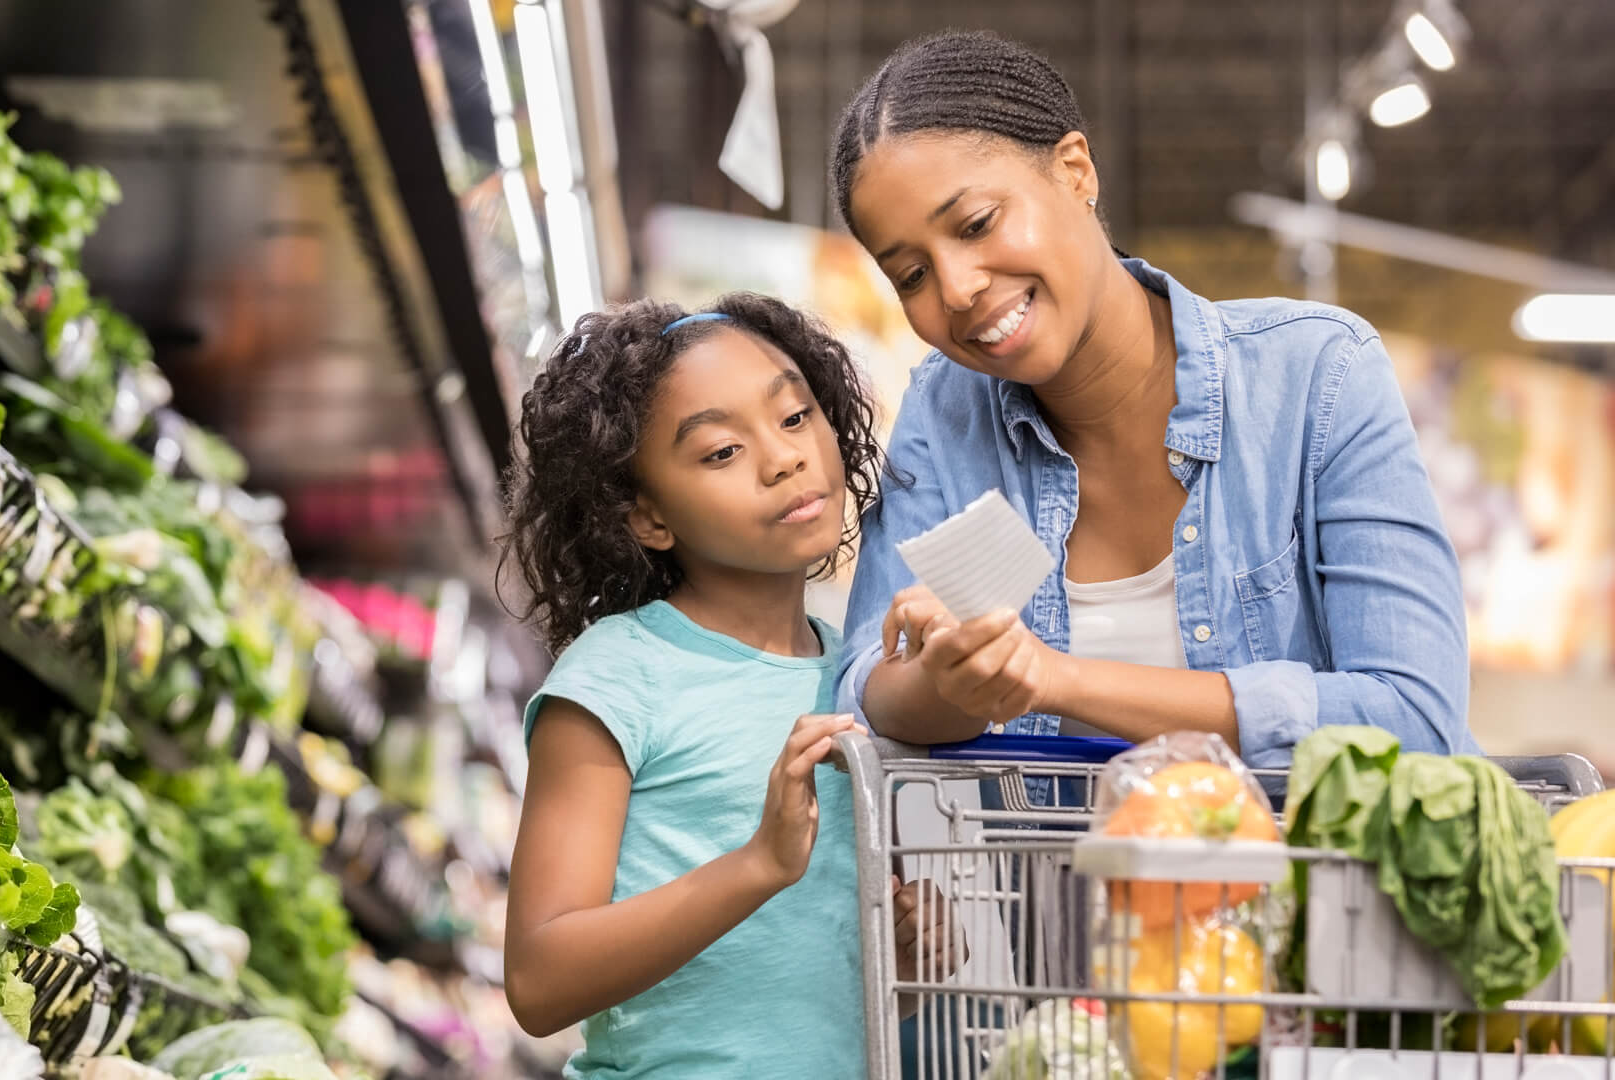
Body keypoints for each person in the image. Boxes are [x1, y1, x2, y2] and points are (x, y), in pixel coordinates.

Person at [826, 30, 1482, 766]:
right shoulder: (946, 416)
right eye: (910, 274)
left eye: (977, 224)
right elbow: (862, 696)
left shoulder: (1316, 376)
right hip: (1043, 886)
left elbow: (1412, 716)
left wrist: (1057, 679)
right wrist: (951, 677)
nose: (957, 288)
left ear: (1075, 171)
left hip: (1316, 882)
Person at [499, 294, 952, 1077]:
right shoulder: (619, 674)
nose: (783, 459)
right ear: (647, 518)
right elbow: (539, 981)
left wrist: (906, 959)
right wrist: (757, 865)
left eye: (794, 417)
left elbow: (786, 992)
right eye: (720, 453)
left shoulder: (858, 679)